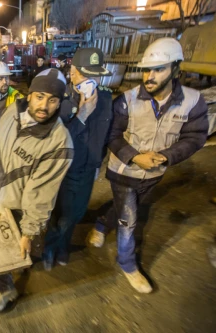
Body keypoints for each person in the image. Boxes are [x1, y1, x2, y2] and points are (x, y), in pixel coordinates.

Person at [86, 38, 208, 293]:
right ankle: (127, 263)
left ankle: (100, 223)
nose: (149, 76)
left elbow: (195, 137)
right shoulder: (126, 100)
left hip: (154, 174)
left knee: (125, 210)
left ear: (176, 69)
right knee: (129, 219)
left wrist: (167, 156)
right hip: (123, 172)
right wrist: (133, 156)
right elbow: (112, 135)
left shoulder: (193, 101)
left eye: (158, 69)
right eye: (146, 70)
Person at [0, 69, 74, 314]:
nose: (45, 105)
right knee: (0, 248)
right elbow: (1, 149)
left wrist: (29, 230)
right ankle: (16, 268)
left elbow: (41, 193)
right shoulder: (12, 112)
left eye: (53, 100)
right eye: (40, 96)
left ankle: (6, 290)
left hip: (18, 207)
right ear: (30, 94)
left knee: (8, 250)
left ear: (60, 103)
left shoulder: (59, 142)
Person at [42, 48, 113, 270]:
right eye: (85, 75)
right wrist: (81, 115)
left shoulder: (107, 99)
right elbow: (55, 141)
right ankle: (50, 248)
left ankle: (61, 245)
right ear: (73, 72)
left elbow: (108, 134)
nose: (92, 81)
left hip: (89, 170)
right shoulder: (61, 102)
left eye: (96, 75)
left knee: (76, 213)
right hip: (64, 170)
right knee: (57, 213)